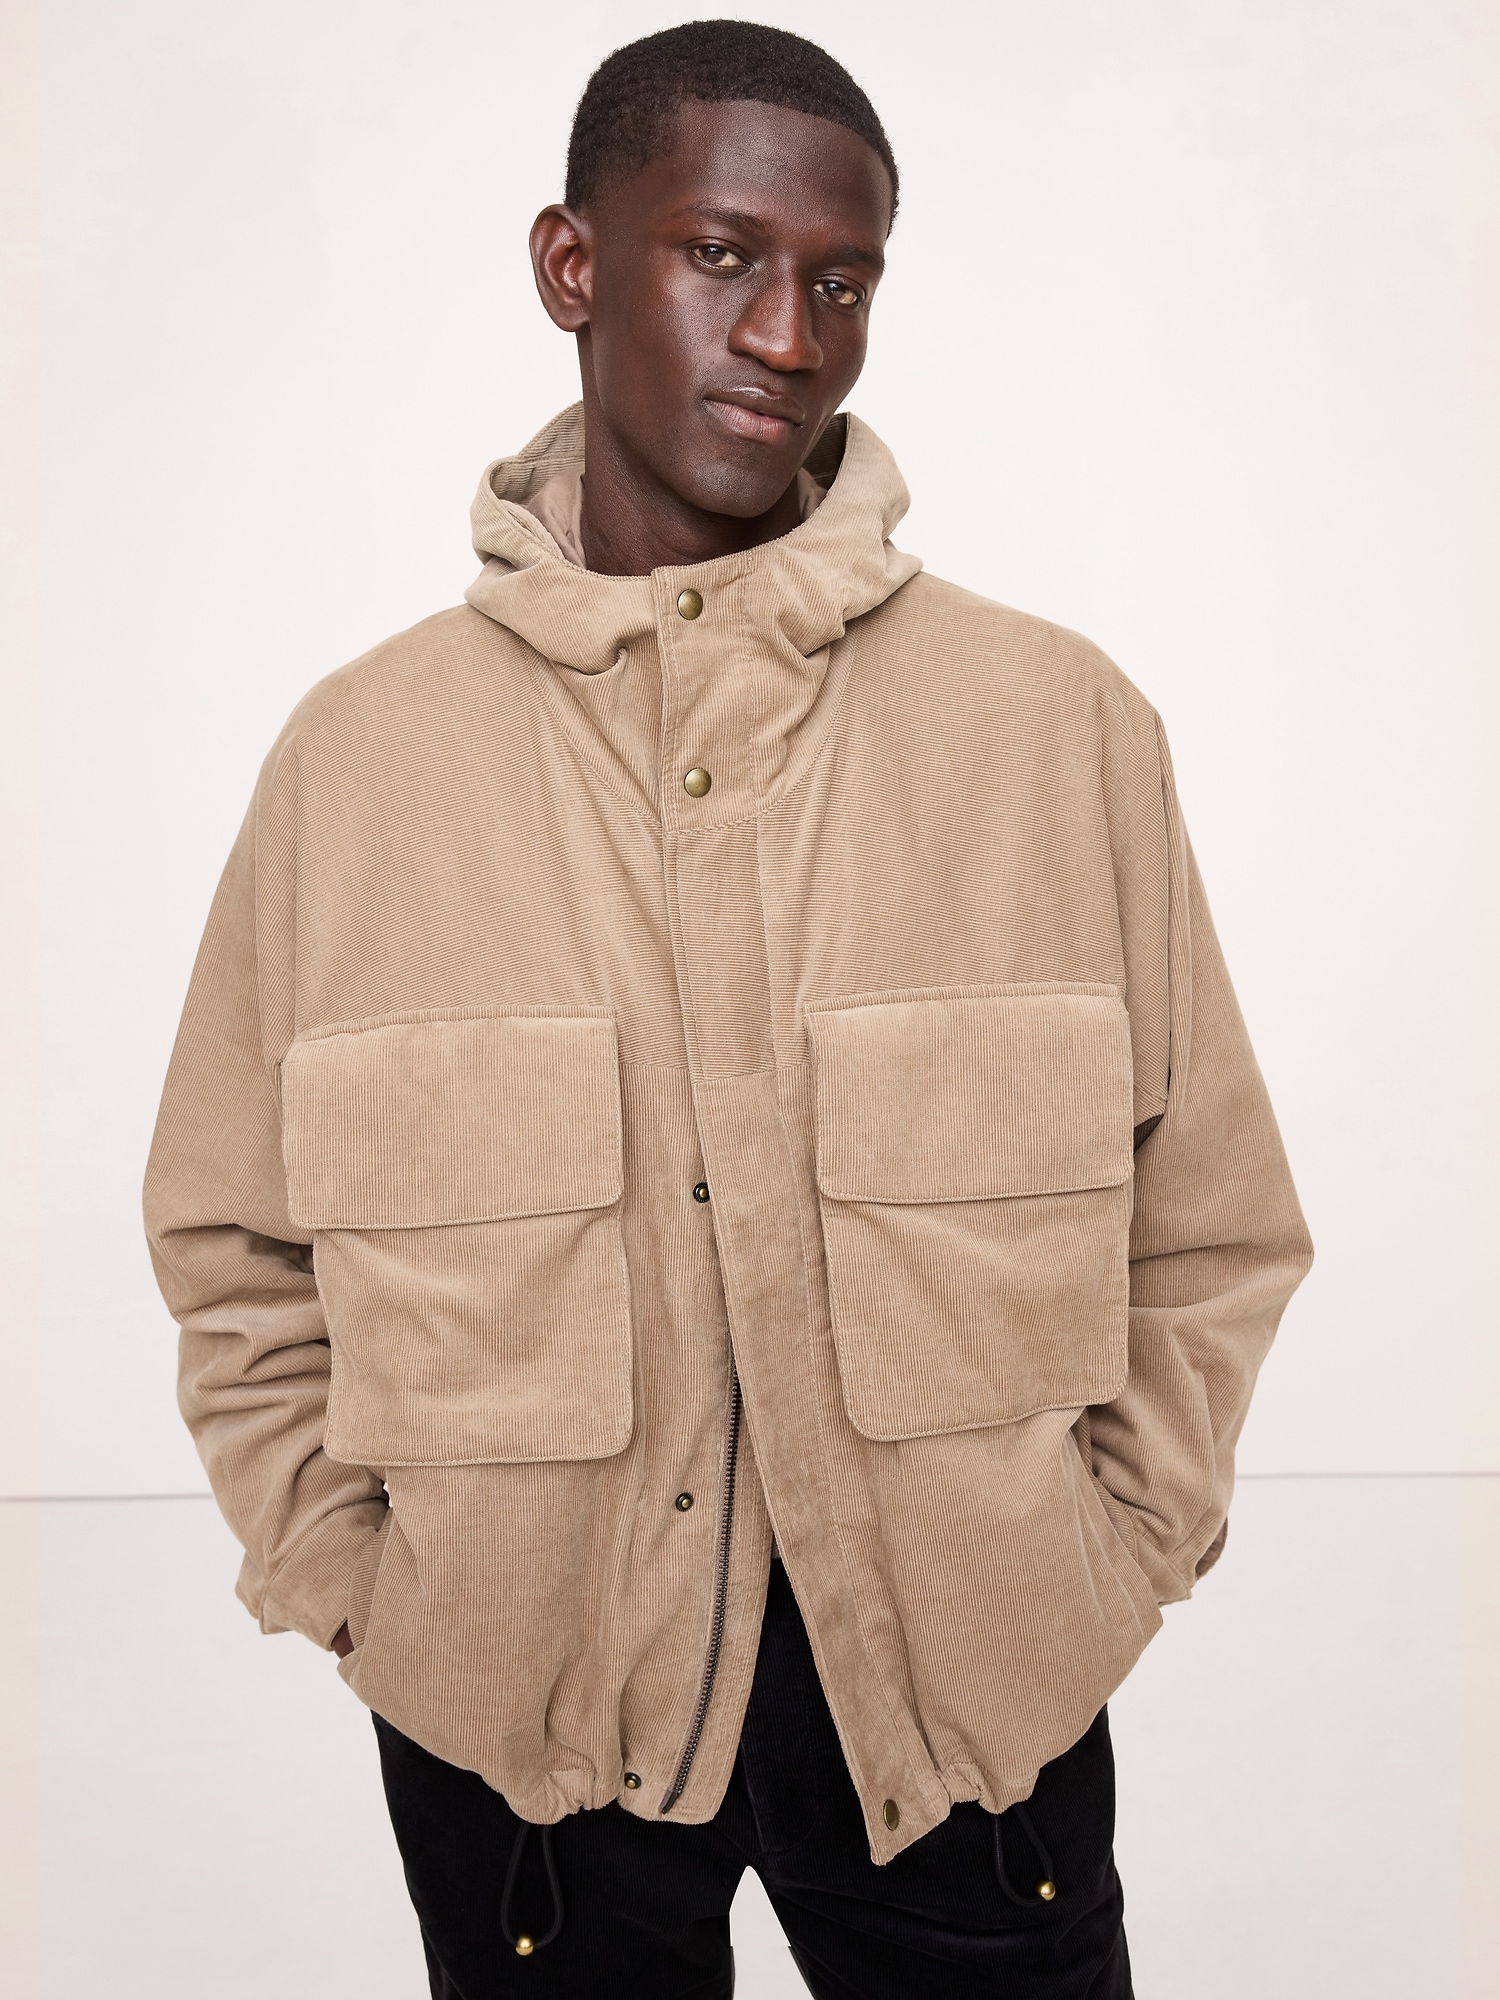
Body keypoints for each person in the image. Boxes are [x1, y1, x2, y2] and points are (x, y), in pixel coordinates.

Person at [143, 20, 1312, 1998]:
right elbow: (232, 1244)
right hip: (522, 1736)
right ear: (572, 265)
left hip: (969, 1719)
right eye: (722, 255)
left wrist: (1108, 1557)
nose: (789, 335)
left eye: (842, 282)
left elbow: (1212, 1224)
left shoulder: (1057, 729)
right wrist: (367, 1595)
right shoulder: (358, 765)